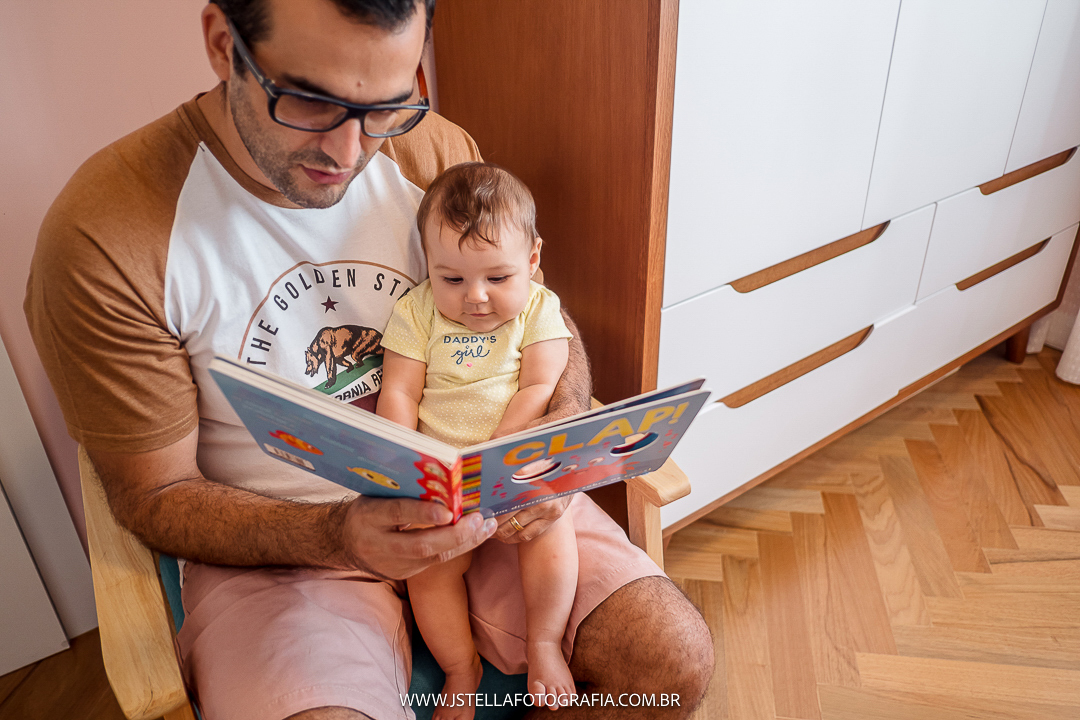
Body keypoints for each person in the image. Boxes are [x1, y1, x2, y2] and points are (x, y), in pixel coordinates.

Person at [23, 0, 714, 718]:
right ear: (224, 46)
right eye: (313, 103)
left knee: (667, 660)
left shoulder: (433, 152)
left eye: (388, 106)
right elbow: (153, 496)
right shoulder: (107, 237)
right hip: (283, 550)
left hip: (485, 500)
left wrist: (562, 422)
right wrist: (334, 534)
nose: (351, 153)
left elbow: (539, 315)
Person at [378, 162, 577, 718]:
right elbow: (398, 392)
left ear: (533, 260)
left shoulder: (539, 308)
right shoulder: (415, 312)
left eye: (497, 277)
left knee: (551, 532)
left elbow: (541, 384)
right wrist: (404, 459)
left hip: (510, 467)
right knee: (429, 569)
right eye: (453, 279)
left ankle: (543, 644)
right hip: (440, 477)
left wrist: (499, 451)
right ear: (428, 268)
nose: (476, 298)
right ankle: (461, 671)